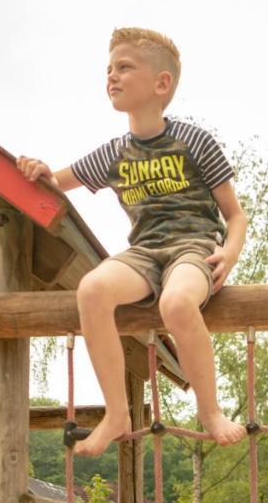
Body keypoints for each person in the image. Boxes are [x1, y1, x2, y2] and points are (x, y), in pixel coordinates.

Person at [17, 27, 248, 457]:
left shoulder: (194, 141)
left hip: (193, 247)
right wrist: (36, 168)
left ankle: (210, 410)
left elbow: (235, 215)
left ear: (161, 84)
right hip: (144, 253)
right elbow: (55, 182)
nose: (112, 76)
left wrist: (229, 253)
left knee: (176, 304)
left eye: (124, 67)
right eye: (108, 69)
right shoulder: (114, 153)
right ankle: (117, 413)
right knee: (92, 289)